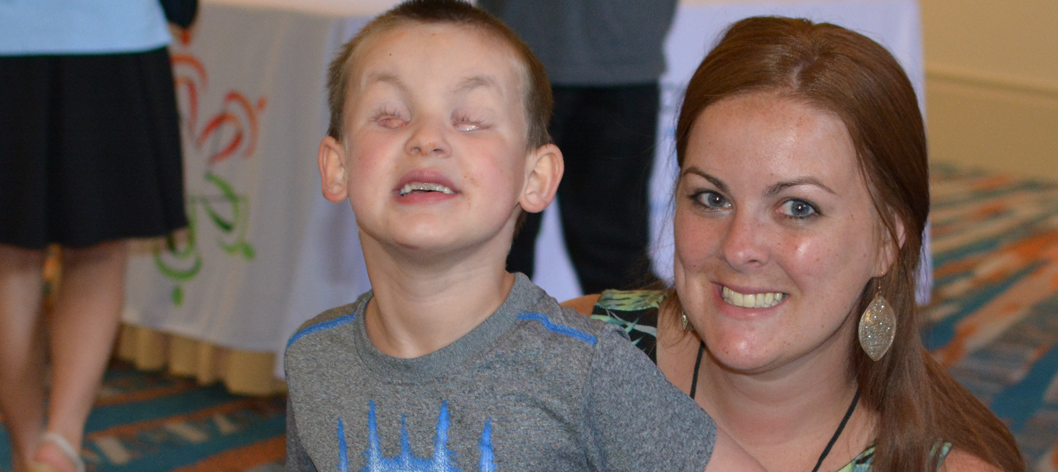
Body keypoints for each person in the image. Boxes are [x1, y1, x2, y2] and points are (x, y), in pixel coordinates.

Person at [283, 1, 763, 470]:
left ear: (535, 177)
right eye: (390, 116)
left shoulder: (586, 371)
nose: (426, 138)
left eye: (470, 119)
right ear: (337, 166)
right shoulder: (313, 359)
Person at [561, 17, 1028, 472]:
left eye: (798, 208)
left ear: (887, 239)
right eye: (712, 198)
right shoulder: (566, 353)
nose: (740, 247)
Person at [0, 0, 186, 471]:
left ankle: (27, 450)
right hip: (109, 31)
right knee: (99, 252)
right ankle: (62, 441)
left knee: (10, 257)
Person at [478, 0, 677, 294]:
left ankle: (636, 336)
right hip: (523, 49)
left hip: (619, 51)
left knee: (615, 256)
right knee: (495, 249)